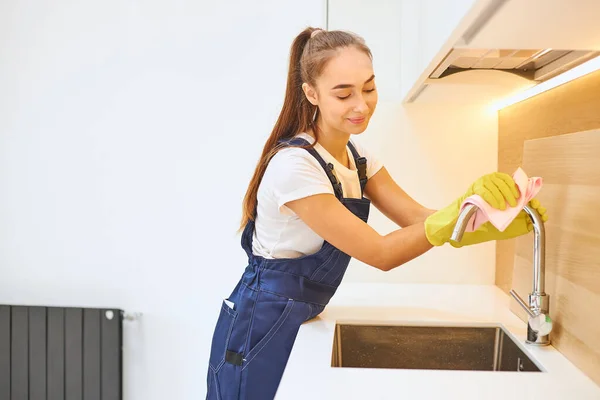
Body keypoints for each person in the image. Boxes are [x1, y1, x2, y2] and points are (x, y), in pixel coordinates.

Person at [205, 27, 548, 400]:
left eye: (368, 89)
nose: (361, 105)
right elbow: (380, 253)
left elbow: (416, 217)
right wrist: (460, 211)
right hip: (260, 327)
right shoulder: (295, 167)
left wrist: (482, 217)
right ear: (311, 94)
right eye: (344, 93)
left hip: (300, 319)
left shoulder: (357, 158)